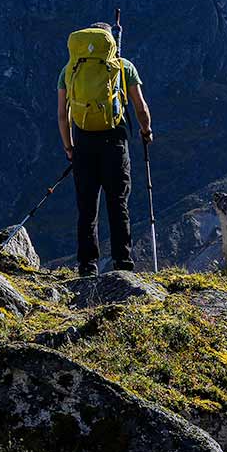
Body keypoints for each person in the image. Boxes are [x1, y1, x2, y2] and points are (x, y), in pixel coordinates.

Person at [56, 23, 154, 276]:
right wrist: (146, 131)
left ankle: (87, 264)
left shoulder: (69, 69)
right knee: (118, 201)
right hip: (115, 142)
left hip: (83, 143)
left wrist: (69, 147)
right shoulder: (123, 66)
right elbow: (140, 107)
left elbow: (61, 116)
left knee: (87, 205)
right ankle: (122, 260)